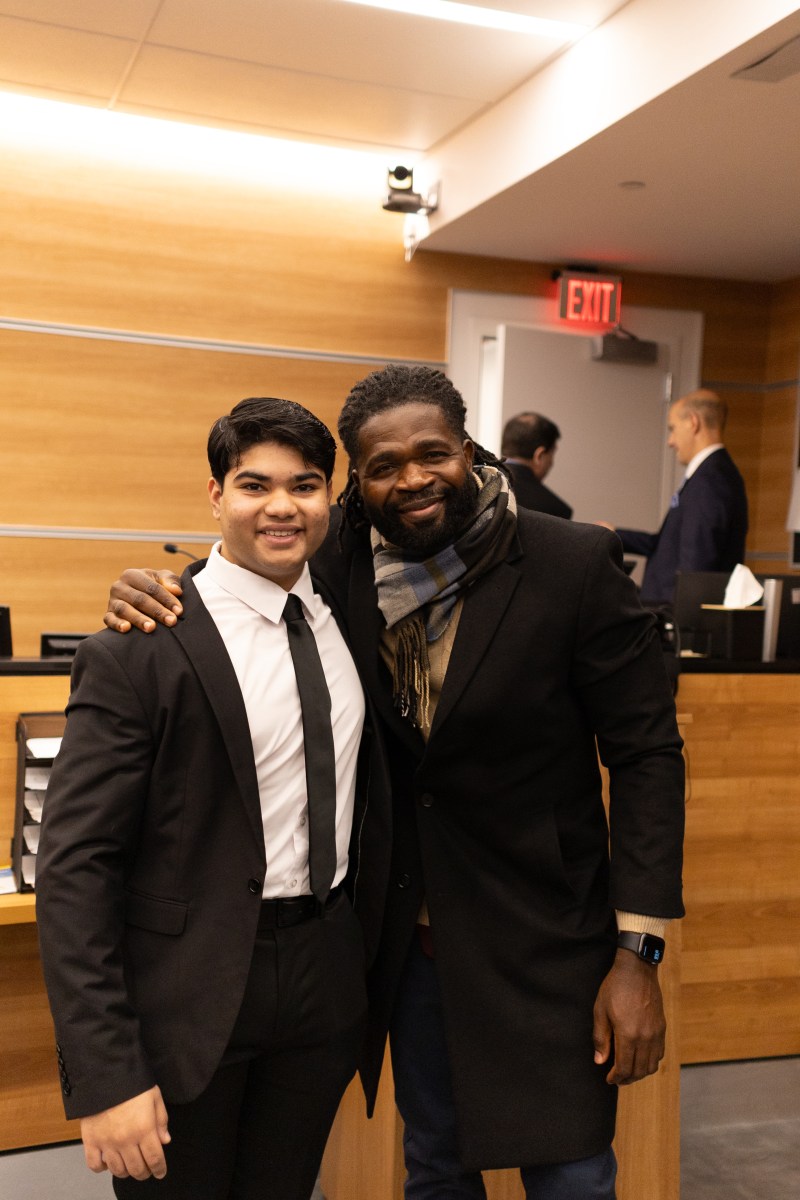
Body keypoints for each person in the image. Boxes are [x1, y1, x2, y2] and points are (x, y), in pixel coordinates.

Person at [104, 366, 685, 1200]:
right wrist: (152, 593)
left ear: (471, 450)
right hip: (409, 944)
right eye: (382, 465)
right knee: (435, 1164)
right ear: (357, 482)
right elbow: (241, 574)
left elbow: (647, 756)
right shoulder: (339, 559)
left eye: (432, 454)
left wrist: (639, 953)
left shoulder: (572, 562)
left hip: (548, 943)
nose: (412, 479)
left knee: (572, 1173)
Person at [36, 398, 391, 1200]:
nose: (278, 507)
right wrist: (104, 1073)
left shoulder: (348, 613)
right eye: (252, 484)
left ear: (329, 500)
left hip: (324, 982)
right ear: (213, 495)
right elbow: (75, 870)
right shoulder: (141, 647)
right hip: (188, 996)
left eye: (303, 486)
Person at [608, 388, 748, 606]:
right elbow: (668, 543)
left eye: (672, 429)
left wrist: (679, 625)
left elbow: (697, 562)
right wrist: (615, 534)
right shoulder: (710, 474)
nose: (670, 441)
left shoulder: (710, 479)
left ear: (693, 422)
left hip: (677, 616)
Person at [500, 411, 573, 519]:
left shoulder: (477, 483)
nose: (551, 463)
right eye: (551, 455)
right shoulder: (555, 510)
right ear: (539, 456)